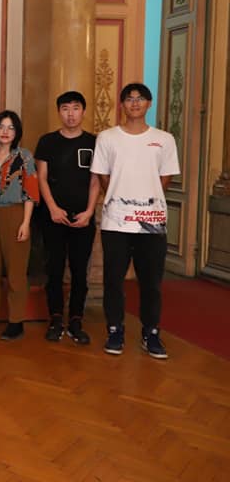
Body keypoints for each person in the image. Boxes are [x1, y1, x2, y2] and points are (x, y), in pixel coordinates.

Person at [91, 83, 179, 359]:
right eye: (129, 99)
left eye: (140, 99)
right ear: (122, 105)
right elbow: (103, 176)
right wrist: (122, 197)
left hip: (152, 222)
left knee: (151, 281)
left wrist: (145, 198)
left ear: (149, 104)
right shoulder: (107, 138)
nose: (135, 103)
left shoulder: (164, 139)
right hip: (116, 221)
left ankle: (151, 333)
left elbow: (165, 178)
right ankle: (115, 330)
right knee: (113, 280)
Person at [35, 91, 99, 345]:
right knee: (54, 269)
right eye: (65, 108)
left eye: (75, 108)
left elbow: (96, 180)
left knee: (80, 271)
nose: (70, 113)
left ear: (83, 111)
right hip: (54, 217)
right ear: (58, 112)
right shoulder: (48, 141)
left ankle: (76, 321)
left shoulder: (95, 142)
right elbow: (41, 178)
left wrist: (90, 212)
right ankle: (55, 319)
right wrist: (52, 208)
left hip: (83, 218)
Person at [0, 110, 39, 341]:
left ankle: (16, 321)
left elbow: (31, 193)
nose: (5, 132)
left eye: (11, 127)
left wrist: (26, 222)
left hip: (16, 214)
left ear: (17, 132)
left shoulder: (24, 157)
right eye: (1, 127)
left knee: (16, 272)